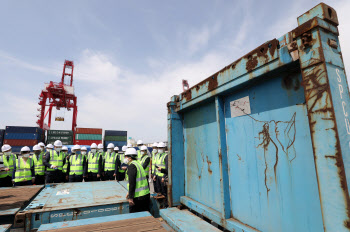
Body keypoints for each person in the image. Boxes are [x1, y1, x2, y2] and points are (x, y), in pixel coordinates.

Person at [125, 148, 150, 213]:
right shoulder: (138, 164)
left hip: (138, 197)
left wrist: (130, 198)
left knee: (135, 216)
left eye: (126, 157)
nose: (125, 159)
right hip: (145, 194)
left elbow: (132, 183)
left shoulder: (132, 166)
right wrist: (129, 192)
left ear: (130, 157)